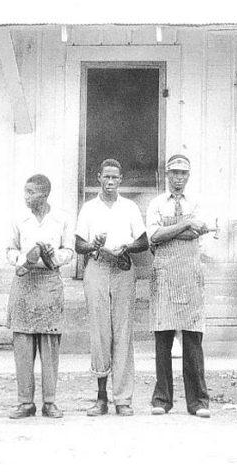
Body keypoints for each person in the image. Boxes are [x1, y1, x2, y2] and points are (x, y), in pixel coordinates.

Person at [75, 159, 148, 416]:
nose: (110, 182)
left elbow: (144, 242)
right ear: (98, 177)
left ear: (121, 179)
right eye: (106, 177)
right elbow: (78, 246)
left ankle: (123, 399)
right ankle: (101, 397)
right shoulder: (88, 208)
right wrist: (94, 245)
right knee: (100, 333)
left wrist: (126, 247)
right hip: (97, 268)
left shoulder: (129, 207)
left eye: (114, 178)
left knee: (123, 332)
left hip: (123, 268)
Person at [146, 154, 212, 418]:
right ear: (166, 175)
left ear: (188, 176)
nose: (177, 178)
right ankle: (162, 399)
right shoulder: (156, 204)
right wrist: (184, 224)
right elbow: (153, 235)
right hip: (164, 274)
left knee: (192, 338)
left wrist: (168, 231)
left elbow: (199, 231)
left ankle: (198, 402)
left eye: (182, 173)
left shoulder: (197, 202)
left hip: (189, 273)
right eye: (173, 173)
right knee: (163, 337)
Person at [6, 174, 74, 419]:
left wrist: (53, 256)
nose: (26, 197)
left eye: (31, 192)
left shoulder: (61, 219)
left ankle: (50, 402)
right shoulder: (18, 219)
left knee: (49, 344)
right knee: (23, 344)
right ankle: (25, 402)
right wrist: (24, 259)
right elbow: (10, 250)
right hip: (24, 282)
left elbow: (70, 251)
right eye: (25, 192)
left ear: (44, 194)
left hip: (49, 283)